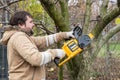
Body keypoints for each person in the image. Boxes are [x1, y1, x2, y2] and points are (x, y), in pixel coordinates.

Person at [0, 11, 74, 80]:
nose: (33, 24)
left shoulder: (22, 37)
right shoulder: (19, 38)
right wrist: (55, 53)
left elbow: (43, 41)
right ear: (21, 24)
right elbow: (36, 59)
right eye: (31, 22)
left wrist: (65, 35)